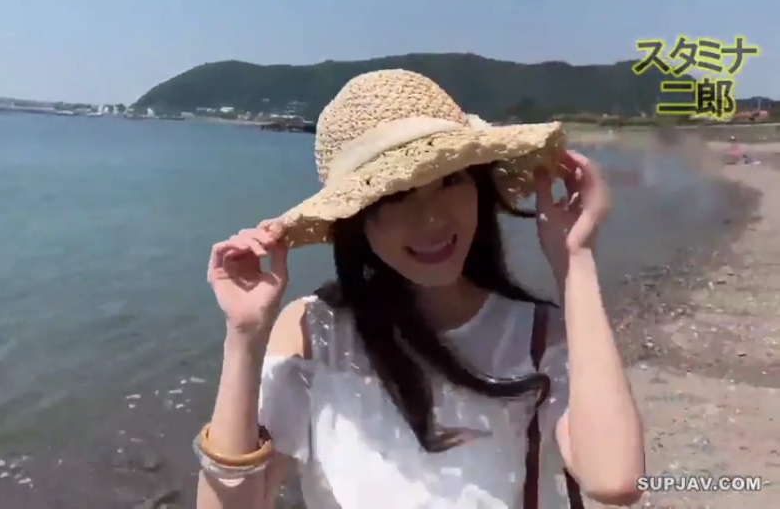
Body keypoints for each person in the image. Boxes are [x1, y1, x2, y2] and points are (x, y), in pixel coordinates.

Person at [195, 70, 645, 509]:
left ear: (479, 186)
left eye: (448, 181)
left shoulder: (536, 336)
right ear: (357, 219)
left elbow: (614, 480)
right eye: (395, 196)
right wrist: (245, 337)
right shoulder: (316, 333)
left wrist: (575, 262)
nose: (431, 220)